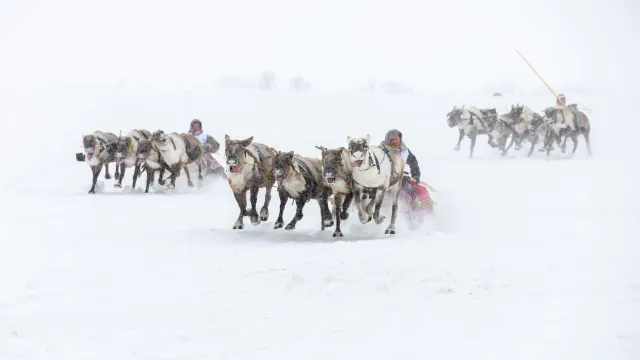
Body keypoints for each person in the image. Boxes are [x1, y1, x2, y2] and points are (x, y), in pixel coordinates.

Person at [383, 129, 433, 214]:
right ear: (388, 141)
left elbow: (413, 162)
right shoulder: (382, 151)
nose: (395, 142)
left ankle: (428, 215)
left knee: (421, 190)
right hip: (385, 181)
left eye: (397, 139)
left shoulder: (404, 150)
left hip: (402, 178)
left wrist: (415, 177)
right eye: (392, 140)